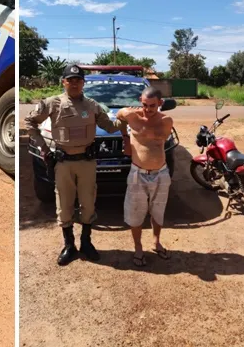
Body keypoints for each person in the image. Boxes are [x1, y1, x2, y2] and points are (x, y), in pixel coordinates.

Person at [24, 64, 122, 266]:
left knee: (88, 203)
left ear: (83, 83)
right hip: (63, 163)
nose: (75, 84)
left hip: (86, 163)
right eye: (71, 80)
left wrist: (128, 118)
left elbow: (111, 127)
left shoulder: (93, 106)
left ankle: (86, 243)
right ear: (64, 82)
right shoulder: (52, 104)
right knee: (64, 205)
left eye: (78, 80)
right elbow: (29, 122)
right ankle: (69, 245)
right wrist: (44, 148)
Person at [116, 87, 174, 267]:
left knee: (158, 211)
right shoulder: (132, 116)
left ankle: (156, 243)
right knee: (135, 213)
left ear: (160, 104)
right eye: (144, 105)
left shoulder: (166, 121)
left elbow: (157, 138)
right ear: (140, 100)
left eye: (153, 106)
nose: (148, 109)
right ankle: (138, 248)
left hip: (161, 173)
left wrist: (139, 128)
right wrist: (126, 138)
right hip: (137, 174)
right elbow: (119, 117)